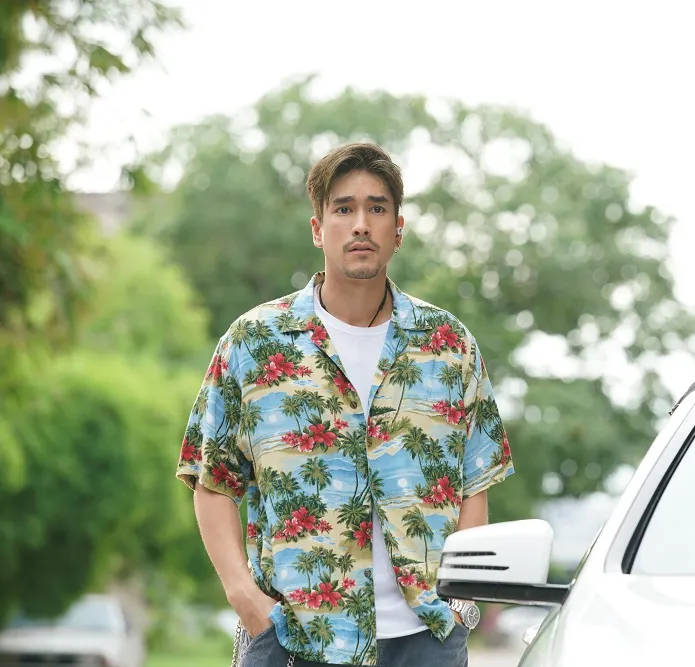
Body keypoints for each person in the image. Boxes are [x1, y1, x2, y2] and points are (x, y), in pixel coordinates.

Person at [175, 142, 515, 667]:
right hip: (293, 639)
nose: (361, 224)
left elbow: (476, 482)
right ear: (318, 229)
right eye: (343, 208)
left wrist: (460, 607)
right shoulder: (254, 342)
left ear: (398, 230)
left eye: (377, 208)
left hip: (425, 640)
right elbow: (212, 479)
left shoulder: (449, 346)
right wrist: (245, 598)